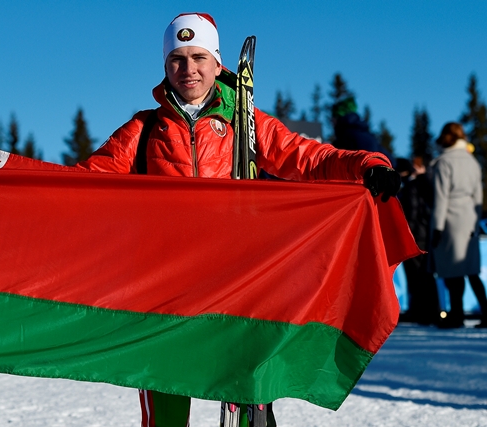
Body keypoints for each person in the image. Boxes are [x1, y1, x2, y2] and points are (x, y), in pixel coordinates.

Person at [68, 13, 401, 426]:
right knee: (165, 398)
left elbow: (306, 157)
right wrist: (3, 182)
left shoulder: (246, 122)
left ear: (217, 63)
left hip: (237, 280)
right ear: (165, 65)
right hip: (165, 285)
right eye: (177, 59)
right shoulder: (144, 129)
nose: (188, 69)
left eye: (199, 58)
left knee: (248, 399)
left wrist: (366, 164)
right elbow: (82, 184)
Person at [430, 122, 487, 329]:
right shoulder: (472, 162)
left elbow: (441, 198)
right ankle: (485, 311)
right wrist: (475, 220)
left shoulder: (444, 162)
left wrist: (437, 227)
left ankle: (456, 315)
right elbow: (478, 196)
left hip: (450, 220)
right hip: (469, 219)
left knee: (453, 271)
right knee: (471, 270)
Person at [395, 157, 439, 324]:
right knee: (420, 275)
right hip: (419, 235)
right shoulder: (414, 185)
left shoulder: (411, 186)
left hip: (415, 236)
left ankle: (424, 311)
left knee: (418, 275)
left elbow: (412, 212)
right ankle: (422, 310)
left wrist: (406, 233)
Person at [331, 96, 397, 167]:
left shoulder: (349, 137)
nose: (332, 121)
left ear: (339, 117)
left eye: (334, 117)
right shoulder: (363, 133)